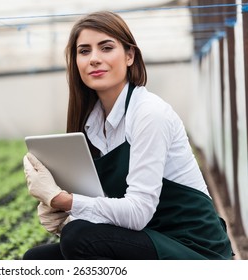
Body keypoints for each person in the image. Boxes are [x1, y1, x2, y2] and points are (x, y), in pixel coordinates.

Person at [22, 11, 233, 260]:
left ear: (130, 55)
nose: (94, 59)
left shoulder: (149, 113)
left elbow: (137, 212)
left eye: (106, 47)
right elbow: (106, 208)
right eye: (84, 51)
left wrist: (64, 201)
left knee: (80, 237)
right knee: (37, 260)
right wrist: (63, 215)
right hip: (149, 237)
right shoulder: (91, 124)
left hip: (194, 249)